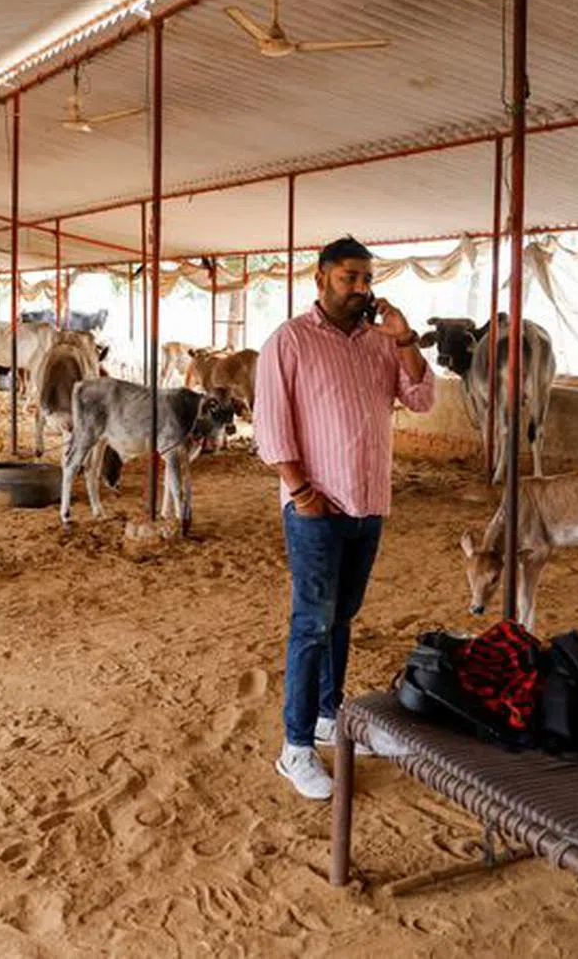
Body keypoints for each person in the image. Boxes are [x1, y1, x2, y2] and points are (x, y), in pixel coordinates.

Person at [253, 235, 435, 800]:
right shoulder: (289, 340)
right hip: (316, 508)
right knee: (312, 622)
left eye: (366, 279)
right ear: (321, 277)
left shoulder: (382, 343)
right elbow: (271, 424)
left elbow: (424, 399)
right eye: (349, 277)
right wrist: (301, 490)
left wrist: (403, 337)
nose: (360, 288)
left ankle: (330, 716)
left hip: (367, 502)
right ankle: (296, 746)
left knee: (342, 616)